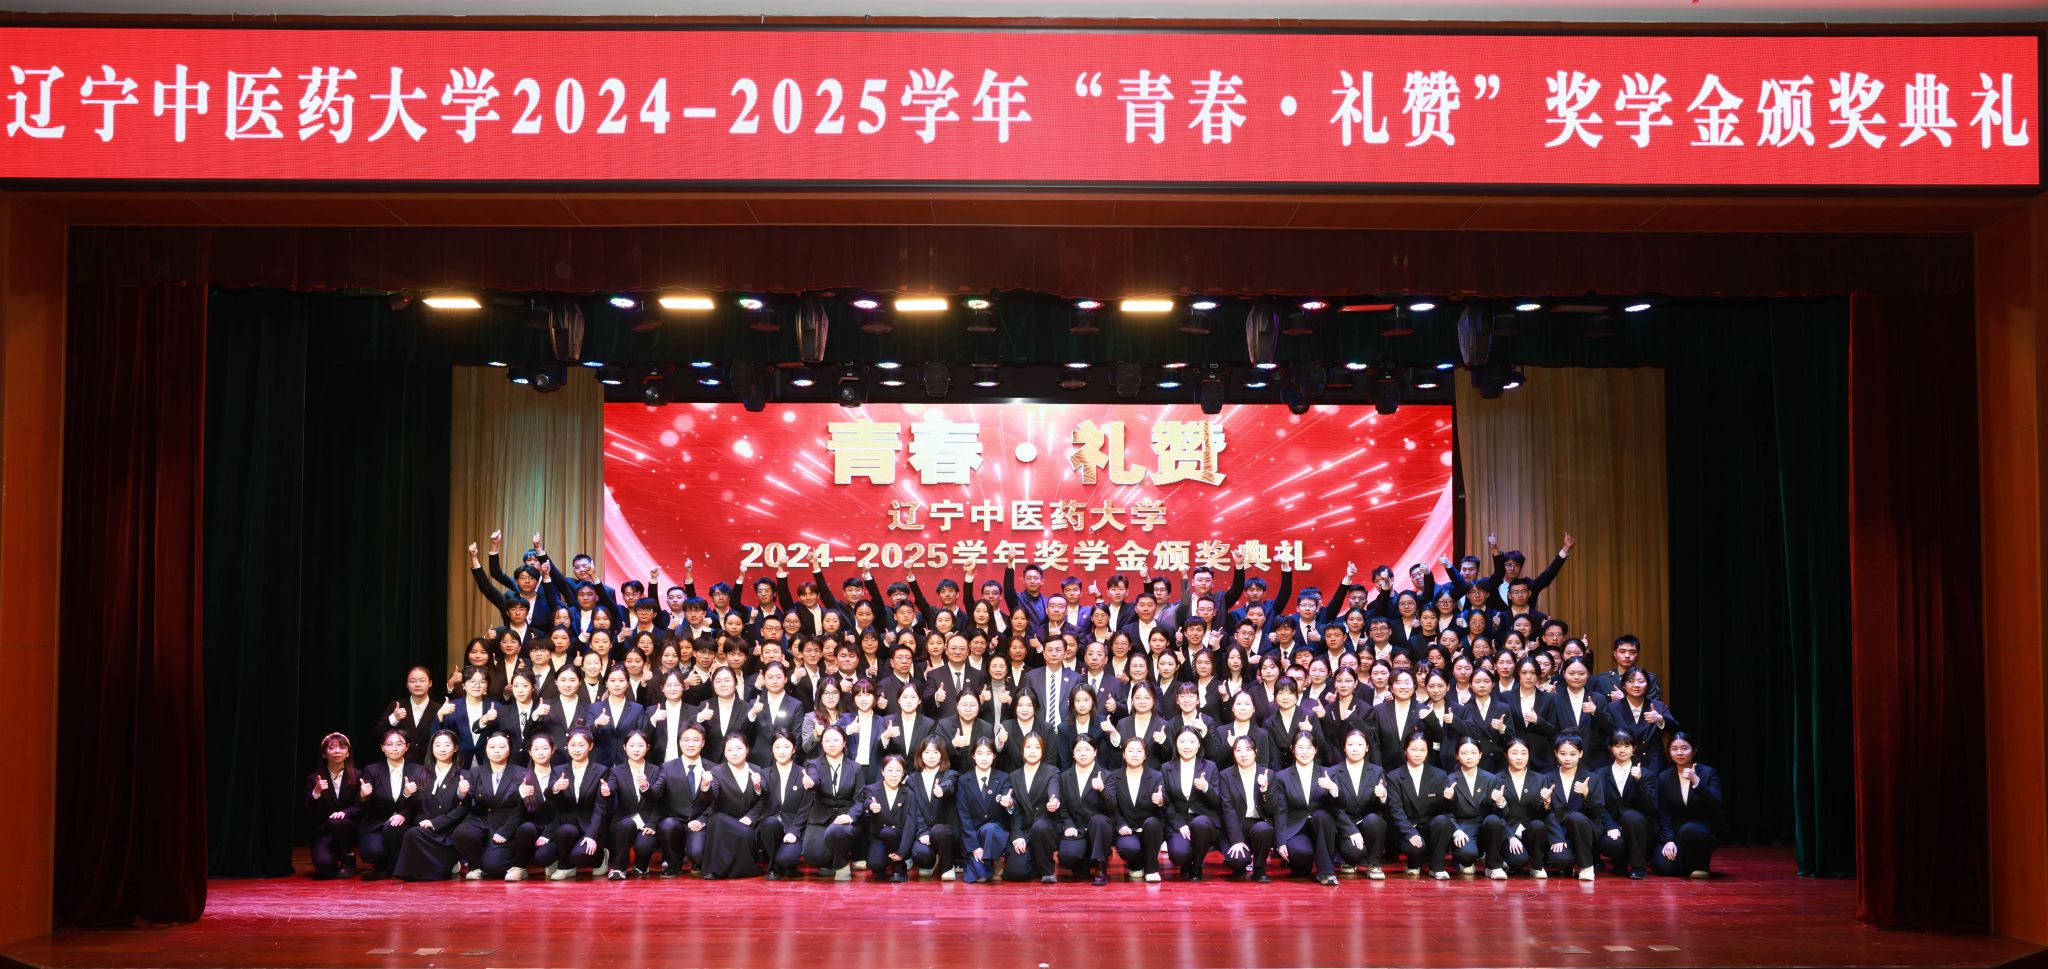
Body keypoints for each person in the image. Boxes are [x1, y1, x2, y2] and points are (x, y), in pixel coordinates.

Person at [391, 730, 468, 881]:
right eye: (437, 745)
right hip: (424, 827)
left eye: (447, 745)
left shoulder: (463, 775)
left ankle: (441, 867)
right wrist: (407, 793)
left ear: (455, 748)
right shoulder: (420, 773)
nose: (442, 749)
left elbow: (462, 809)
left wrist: (435, 823)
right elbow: (410, 806)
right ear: (431, 748)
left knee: (414, 833)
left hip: (448, 829)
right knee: (410, 832)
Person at [451, 732, 527, 880]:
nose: (496, 750)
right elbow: (466, 800)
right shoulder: (475, 772)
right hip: (481, 819)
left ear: (510, 749)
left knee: (494, 868)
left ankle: (495, 864)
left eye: (502, 747)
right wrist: (461, 792)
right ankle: (476, 865)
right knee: (461, 832)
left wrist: (507, 830)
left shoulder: (520, 772)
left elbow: (521, 807)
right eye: (492, 747)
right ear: (486, 749)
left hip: (504, 822)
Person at [1317, 729, 1390, 879]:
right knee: (1354, 853)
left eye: (1360, 745)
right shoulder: (1332, 772)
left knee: (1375, 820)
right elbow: (1333, 808)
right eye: (1350, 745)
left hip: (1367, 822)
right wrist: (1351, 830)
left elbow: (1381, 807)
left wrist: (1383, 796)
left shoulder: (1376, 771)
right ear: (1344, 748)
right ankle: (1348, 859)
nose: (1355, 749)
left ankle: (1374, 864)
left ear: (1367, 748)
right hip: (1344, 824)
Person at [355, 729, 427, 881]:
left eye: (399, 744)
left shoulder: (418, 770)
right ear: (382, 747)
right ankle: (386, 863)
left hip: (404, 823)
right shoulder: (372, 770)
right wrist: (363, 796)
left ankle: (394, 868)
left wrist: (404, 809)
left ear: (407, 746)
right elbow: (363, 806)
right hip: (377, 822)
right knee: (372, 852)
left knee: (395, 828)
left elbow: (421, 803)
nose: (394, 748)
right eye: (389, 744)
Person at [540, 728, 612, 880]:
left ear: (590, 746)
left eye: (581, 745)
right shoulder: (559, 770)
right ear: (567, 746)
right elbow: (549, 798)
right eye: (572, 745)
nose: (577, 749)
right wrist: (555, 788)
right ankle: (566, 866)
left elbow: (601, 807)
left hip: (591, 826)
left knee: (580, 856)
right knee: (555, 841)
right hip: (567, 826)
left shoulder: (601, 770)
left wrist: (592, 835)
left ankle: (601, 857)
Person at [1385, 731, 1455, 880]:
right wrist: (1410, 832)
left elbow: (1446, 810)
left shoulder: (1439, 775)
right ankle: (1413, 863)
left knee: (1443, 821)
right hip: (1407, 830)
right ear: (1405, 751)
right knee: (1415, 848)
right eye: (1414, 749)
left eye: (1422, 750)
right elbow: (1395, 809)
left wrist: (1449, 799)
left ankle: (1437, 867)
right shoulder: (1393, 776)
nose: (1418, 754)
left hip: (1430, 830)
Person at [1651, 732, 1722, 878]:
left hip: (1703, 831)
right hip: (1677, 833)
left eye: (1684, 748)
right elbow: (1664, 812)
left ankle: (1700, 863)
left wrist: (1697, 782)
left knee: (1690, 829)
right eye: (1674, 749)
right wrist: (1669, 840)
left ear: (1694, 751)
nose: (1679, 753)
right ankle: (1687, 860)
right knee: (1664, 867)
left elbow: (1716, 802)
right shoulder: (1664, 777)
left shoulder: (1708, 773)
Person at [648, 724, 714, 877]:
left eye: (695, 740)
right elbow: (655, 795)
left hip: (698, 822)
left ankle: (696, 860)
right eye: (686, 740)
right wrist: (645, 787)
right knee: (667, 825)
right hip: (675, 821)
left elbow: (716, 800)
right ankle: (674, 863)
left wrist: (702, 820)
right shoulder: (667, 767)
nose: (690, 744)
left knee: (697, 855)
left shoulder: (712, 768)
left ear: (703, 743)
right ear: (679, 742)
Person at [699, 734, 766, 880]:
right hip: (725, 820)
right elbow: (711, 795)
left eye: (739, 748)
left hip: (748, 822)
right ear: (724, 753)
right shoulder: (717, 771)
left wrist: (750, 817)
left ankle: (742, 869)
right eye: (729, 750)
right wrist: (705, 785)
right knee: (717, 819)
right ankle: (715, 870)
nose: (735, 753)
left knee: (746, 832)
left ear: (747, 749)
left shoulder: (756, 770)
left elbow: (762, 799)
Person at [1052, 734, 1115, 886]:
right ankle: (1084, 859)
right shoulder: (1064, 777)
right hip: (1076, 828)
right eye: (1079, 750)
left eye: (1087, 749)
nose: (1083, 753)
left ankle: (1100, 865)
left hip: (1098, 828)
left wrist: (1102, 789)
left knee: (1099, 821)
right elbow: (1062, 807)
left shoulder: (1106, 776)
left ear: (1095, 752)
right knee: (1068, 857)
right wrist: (1068, 825)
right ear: (1073, 754)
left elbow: (1112, 807)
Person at [1541, 733, 1605, 881]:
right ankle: (1569, 859)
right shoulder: (1546, 778)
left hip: (1585, 831)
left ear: (1581, 753)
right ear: (1556, 753)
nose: (1567, 758)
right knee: (1559, 860)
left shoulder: (1592, 778)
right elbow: (1547, 814)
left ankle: (1587, 866)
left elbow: (1598, 812)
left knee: (1576, 817)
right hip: (1560, 830)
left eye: (1572, 754)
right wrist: (1557, 836)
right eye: (1563, 754)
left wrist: (1587, 795)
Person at [802, 724, 863, 879]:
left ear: (844, 743)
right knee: (812, 855)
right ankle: (831, 861)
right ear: (822, 743)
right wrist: (811, 782)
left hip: (845, 815)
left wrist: (850, 816)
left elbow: (860, 799)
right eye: (827, 740)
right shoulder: (813, 764)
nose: (832, 744)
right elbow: (814, 778)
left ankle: (842, 864)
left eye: (836, 740)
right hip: (821, 815)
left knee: (837, 831)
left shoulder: (855, 768)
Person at [1162, 728, 1222, 881]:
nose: (1187, 746)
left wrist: (1206, 788)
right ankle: (1187, 862)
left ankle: (1197, 865)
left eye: (1192, 742)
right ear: (1176, 744)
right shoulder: (1166, 768)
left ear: (1199, 744)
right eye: (1182, 741)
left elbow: (1217, 800)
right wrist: (1179, 823)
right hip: (1178, 819)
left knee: (1200, 823)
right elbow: (1166, 802)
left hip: (1203, 819)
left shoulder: (1210, 766)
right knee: (1178, 855)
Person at [1596, 730, 1656, 879]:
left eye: (1627, 746)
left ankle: (1638, 866)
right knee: (1611, 844)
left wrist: (1639, 781)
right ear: (1610, 748)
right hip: (1614, 826)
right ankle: (1620, 862)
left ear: (1634, 748)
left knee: (1631, 816)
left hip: (1640, 827)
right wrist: (1611, 825)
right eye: (1617, 746)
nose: (1622, 750)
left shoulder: (1646, 774)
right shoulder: (1600, 774)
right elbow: (1598, 805)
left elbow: (1651, 807)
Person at [1108, 736, 1167, 883]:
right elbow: (1111, 807)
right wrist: (1120, 824)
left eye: (1139, 751)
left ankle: (1152, 868)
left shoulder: (1156, 776)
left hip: (1150, 829)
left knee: (1153, 823)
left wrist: (1161, 800)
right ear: (1123, 754)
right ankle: (1136, 863)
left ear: (1145, 755)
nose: (1135, 754)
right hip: (1127, 829)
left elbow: (1165, 800)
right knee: (1128, 848)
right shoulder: (1114, 777)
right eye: (1130, 751)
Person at [1002, 734, 1060, 883]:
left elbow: (1054, 791)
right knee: (1015, 873)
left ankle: (1047, 870)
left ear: (1042, 751)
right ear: (1022, 750)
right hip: (1025, 829)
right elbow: (1016, 812)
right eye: (1028, 747)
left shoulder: (1052, 771)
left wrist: (1054, 802)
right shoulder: (1014, 776)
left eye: (1037, 747)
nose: (1032, 751)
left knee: (1040, 827)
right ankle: (1034, 861)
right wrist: (1017, 835)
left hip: (1045, 827)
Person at [1445, 736, 1507, 876]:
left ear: (1480, 755)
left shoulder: (1491, 778)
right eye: (1464, 753)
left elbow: (1501, 814)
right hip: (1463, 827)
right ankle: (1463, 859)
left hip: (1484, 825)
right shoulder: (1449, 779)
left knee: (1494, 821)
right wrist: (1456, 830)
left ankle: (1494, 866)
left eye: (1473, 753)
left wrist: (1501, 802)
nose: (1469, 757)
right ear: (1457, 756)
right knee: (1467, 854)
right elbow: (1446, 812)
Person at [305, 732, 362, 880]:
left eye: (342, 747)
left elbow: (361, 807)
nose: (337, 751)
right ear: (324, 754)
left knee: (337, 822)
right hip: (325, 832)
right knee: (324, 868)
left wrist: (345, 813)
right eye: (331, 748)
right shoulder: (314, 778)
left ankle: (348, 857)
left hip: (348, 828)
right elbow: (309, 811)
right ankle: (336, 856)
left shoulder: (357, 776)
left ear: (348, 753)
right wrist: (316, 792)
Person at [956, 737, 1013, 884]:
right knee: (980, 878)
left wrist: (1009, 804)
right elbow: (963, 816)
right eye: (980, 753)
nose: (984, 758)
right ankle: (987, 863)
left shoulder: (1004, 778)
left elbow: (1009, 800)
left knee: (990, 829)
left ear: (994, 755)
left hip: (995, 833)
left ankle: (995, 859)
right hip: (974, 835)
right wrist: (975, 846)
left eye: (988, 753)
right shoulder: (964, 780)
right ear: (973, 755)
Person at [903, 737, 960, 880]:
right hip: (925, 831)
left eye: (935, 752)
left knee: (939, 830)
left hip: (946, 832)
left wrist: (942, 789)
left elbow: (950, 784)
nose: (931, 756)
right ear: (920, 754)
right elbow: (914, 810)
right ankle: (931, 862)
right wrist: (923, 832)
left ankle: (947, 866)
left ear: (942, 755)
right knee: (920, 853)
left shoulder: (951, 774)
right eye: (927, 752)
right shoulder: (912, 780)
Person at [606, 730, 660, 878]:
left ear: (647, 747)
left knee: (644, 845)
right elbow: (611, 787)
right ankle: (618, 868)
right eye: (632, 745)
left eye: (641, 745)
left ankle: (641, 865)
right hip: (625, 820)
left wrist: (652, 823)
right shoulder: (616, 771)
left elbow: (660, 801)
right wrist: (607, 790)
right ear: (624, 747)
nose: (636, 749)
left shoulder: (656, 770)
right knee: (627, 824)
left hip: (647, 821)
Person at [758, 731, 812, 880]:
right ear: (772, 749)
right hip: (771, 829)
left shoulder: (804, 774)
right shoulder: (764, 774)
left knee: (787, 859)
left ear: (794, 750)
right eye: (777, 747)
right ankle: (773, 865)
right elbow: (760, 799)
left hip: (794, 826)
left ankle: (784, 863)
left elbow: (806, 807)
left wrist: (794, 831)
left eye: (786, 747)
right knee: (769, 822)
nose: (782, 751)